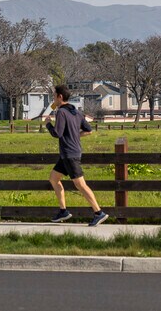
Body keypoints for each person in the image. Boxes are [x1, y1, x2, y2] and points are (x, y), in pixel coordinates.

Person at [45, 84, 109, 227]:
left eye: (54, 96)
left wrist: (48, 124)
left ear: (60, 97)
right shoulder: (76, 112)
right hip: (69, 154)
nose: (53, 99)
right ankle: (63, 211)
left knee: (80, 185)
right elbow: (88, 130)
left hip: (69, 154)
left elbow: (57, 133)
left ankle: (99, 212)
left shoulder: (61, 112)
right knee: (54, 179)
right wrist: (75, 136)